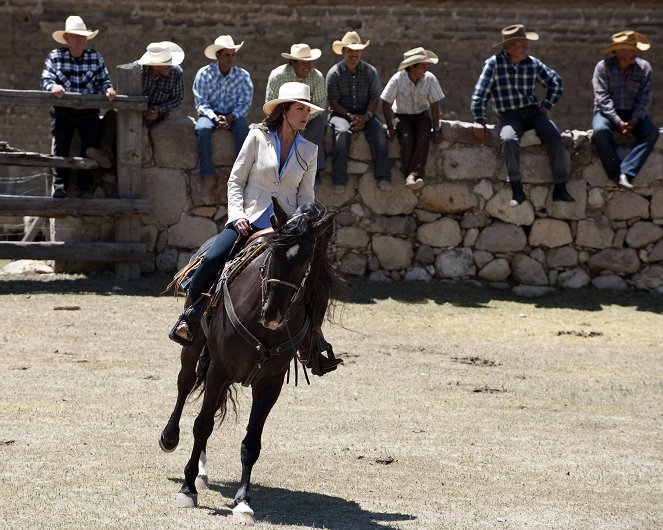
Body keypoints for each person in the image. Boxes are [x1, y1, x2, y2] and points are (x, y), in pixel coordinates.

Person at [169, 82, 342, 375]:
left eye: (308, 110)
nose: (305, 115)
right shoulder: (255, 137)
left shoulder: (309, 150)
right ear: (283, 111)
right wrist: (236, 215)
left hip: (286, 228)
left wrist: (301, 225)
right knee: (212, 259)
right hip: (247, 219)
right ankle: (191, 316)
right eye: (300, 109)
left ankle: (312, 341)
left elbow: (306, 196)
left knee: (318, 277)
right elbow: (236, 180)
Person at [471, 24, 574, 206]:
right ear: (510, 48)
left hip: (533, 113)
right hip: (508, 116)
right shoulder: (493, 65)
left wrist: (547, 104)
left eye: (527, 45)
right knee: (509, 139)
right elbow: (480, 94)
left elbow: (556, 81)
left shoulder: (532, 63)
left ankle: (560, 187)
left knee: (554, 136)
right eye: (523, 45)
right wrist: (480, 120)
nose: (527, 49)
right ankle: (516, 189)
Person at [40, 15, 116, 198]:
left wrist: (108, 89)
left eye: (83, 37)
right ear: (67, 38)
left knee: (89, 148)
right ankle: (59, 186)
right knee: (61, 147)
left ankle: (85, 187)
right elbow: (46, 79)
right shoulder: (55, 56)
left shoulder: (95, 57)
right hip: (63, 110)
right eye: (76, 36)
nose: (80, 40)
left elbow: (103, 80)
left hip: (88, 111)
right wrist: (53, 87)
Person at [87, 41, 186, 169]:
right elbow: (124, 95)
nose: (170, 66)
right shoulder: (135, 71)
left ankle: (114, 160)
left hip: (158, 112)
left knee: (131, 126)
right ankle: (105, 152)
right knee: (112, 115)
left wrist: (158, 109)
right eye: (167, 64)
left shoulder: (176, 73)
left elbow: (177, 100)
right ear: (155, 66)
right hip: (134, 109)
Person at [591, 31, 659, 189]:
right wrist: (617, 121)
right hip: (607, 113)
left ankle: (627, 172)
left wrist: (635, 119)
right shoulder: (603, 67)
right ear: (618, 52)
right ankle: (615, 173)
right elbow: (602, 98)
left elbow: (645, 98)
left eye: (635, 49)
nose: (635, 52)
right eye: (630, 49)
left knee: (652, 132)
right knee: (600, 131)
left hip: (632, 112)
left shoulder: (643, 68)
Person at [326, 31, 391, 191]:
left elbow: (375, 98)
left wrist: (367, 116)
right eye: (350, 50)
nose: (354, 54)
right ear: (343, 52)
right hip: (341, 113)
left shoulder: (370, 71)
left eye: (357, 50)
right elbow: (333, 102)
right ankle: (339, 181)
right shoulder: (334, 73)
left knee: (379, 134)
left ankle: (383, 177)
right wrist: (349, 116)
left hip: (365, 112)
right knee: (341, 133)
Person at [381, 47, 445, 190]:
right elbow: (386, 102)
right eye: (422, 65)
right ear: (412, 67)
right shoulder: (397, 79)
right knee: (406, 137)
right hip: (401, 116)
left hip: (421, 115)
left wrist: (437, 128)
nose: (425, 68)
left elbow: (434, 104)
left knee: (424, 135)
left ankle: (413, 174)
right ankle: (412, 174)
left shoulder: (430, 79)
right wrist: (390, 127)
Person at [266, 43, 327, 182]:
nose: (307, 66)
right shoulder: (278, 76)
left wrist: (301, 118)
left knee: (317, 125)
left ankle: (313, 170)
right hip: (282, 116)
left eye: (309, 62)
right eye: (303, 63)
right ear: (293, 62)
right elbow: (271, 101)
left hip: (309, 117)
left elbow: (319, 104)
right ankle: (276, 167)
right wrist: (288, 119)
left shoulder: (317, 77)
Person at [193, 35, 253, 178]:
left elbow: (245, 104)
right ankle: (207, 173)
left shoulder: (243, 76)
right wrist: (215, 118)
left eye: (233, 55)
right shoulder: (204, 74)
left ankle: (241, 174)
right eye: (227, 55)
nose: (231, 58)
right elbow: (201, 103)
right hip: (210, 114)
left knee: (244, 130)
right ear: (218, 55)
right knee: (202, 129)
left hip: (234, 115)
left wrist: (231, 117)